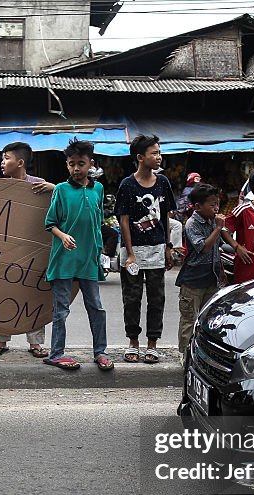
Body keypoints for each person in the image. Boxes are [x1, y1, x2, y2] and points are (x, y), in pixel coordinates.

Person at [43, 137, 113, 372]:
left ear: (90, 164)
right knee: (61, 310)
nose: (76, 168)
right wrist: (62, 236)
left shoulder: (98, 189)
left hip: (88, 260)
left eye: (80, 163)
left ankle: (100, 352)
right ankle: (56, 354)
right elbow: (50, 223)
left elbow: (97, 223)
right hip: (63, 259)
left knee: (96, 307)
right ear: (67, 165)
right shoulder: (61, 190)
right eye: (71, 164)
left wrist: (99, 252)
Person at [0, 141, 54, 359]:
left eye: (6, 158)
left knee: (32, 295)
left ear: (20, 162)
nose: (2, 162)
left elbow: (59, 203)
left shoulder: (39, 184)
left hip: (32, 249)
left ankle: (35, 344)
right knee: (3, 293)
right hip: (5, 251)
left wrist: (54, 188)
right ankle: (1, 341)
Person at [115, 134, 176, 364]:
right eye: (154, 153)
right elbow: (124, 221)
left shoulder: (163, 183)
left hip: (157, 249)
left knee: (157, 298)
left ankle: (152, 343)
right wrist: (130, 253)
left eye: (159, 152)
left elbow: (166, 217)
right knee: (131, 298)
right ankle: (133, 341)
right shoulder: (127, 185)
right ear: (140, 157)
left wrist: (168, 246)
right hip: (133, 252)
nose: (159, 157)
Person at [175, 183, 226, 355]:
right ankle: (185, 354)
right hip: (193, 280)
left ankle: (203, 353)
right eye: (212, 205)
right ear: (198, 206)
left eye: (217, 204)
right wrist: (218, 228)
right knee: (189, 319)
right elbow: (203, 247)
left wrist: (222, 271)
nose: (216, 208)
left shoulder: (213, 221)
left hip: (211, 278)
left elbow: (217, 249)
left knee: (208, 319)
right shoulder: (192, 224)